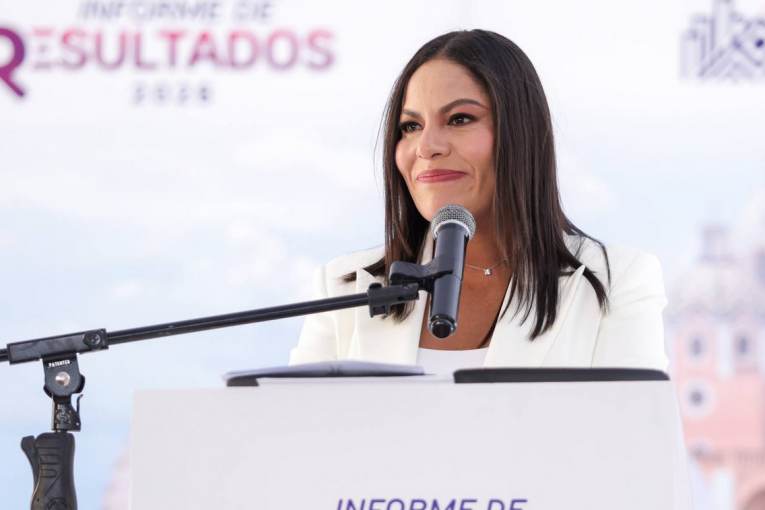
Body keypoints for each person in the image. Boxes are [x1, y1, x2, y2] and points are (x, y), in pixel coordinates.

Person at [289, 30, 668, 374]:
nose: (426, 147)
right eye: (411, 126)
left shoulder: (616, 282)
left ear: (520, 134)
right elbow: (296, 426)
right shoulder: (345, 288)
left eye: (459, 119)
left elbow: (633, 429)